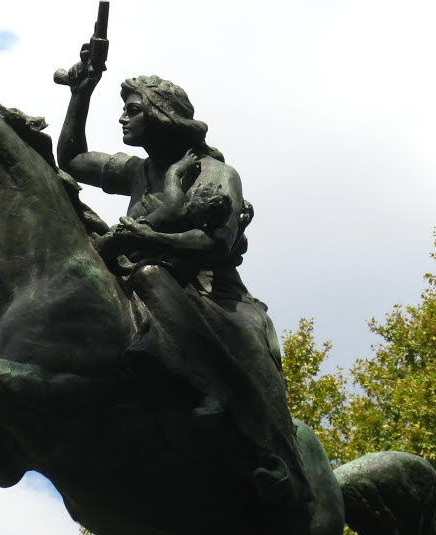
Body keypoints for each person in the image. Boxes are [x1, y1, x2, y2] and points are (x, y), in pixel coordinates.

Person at [58, 65, 313, 509]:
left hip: (215, 297)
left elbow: (216, 245)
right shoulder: (139, 171)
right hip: (144, 283)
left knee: (156, 280)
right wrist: (82, 91)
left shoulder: (215, 173)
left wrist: (144, 238)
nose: (122, 118)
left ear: (159, 116)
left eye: (132, 110)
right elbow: (73, 161)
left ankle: (275, 456)